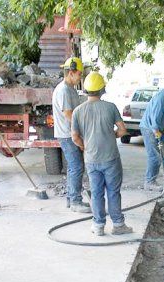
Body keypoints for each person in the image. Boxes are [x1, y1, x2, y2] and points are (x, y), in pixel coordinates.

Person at [71, 71, 133, 236]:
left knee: (96, 193)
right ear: (102, 89)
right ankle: (118, 225)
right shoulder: (110, 107)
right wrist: (111, 135)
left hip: (91, 159)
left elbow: (75, 137)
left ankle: (98, 226)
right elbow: (122, 130)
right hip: (111, 157)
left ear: (86, 90)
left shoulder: (78, 111)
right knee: (113, 192)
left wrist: (84, 146)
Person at [53, 57, 91, 213]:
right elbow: (69, 114)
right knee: (77, 166)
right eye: (79, 74)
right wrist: (80, 132)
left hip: (69, 133)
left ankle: (71, 198)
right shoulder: (64, 90)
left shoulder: (70, 89)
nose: (80, 77)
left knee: (73, 167)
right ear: (71, 72)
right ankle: (75, 201)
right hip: (67, 134)